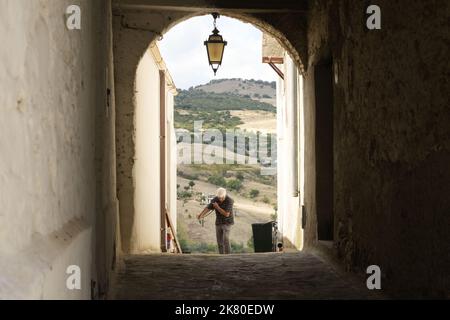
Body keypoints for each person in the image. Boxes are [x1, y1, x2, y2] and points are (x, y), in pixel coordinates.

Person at [197, 188, 234, 254]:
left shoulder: (229, 200)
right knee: (219, 241)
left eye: (222, 198)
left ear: (225, 195)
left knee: (226, 238)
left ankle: (228, 255)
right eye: (219, 198)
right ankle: (221, 255)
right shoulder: (215, 199)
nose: (220, 199)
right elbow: (208, 208)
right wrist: (201, 215)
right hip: (219, 222)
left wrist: (217, 207)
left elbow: (226, 214)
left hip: (227, 222)